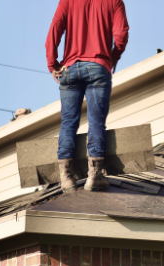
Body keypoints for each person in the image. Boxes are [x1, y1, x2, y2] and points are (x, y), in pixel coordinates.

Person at [46, 0, 129, 192]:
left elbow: (54, 31)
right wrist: (114, 55)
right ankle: (95, 175)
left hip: (70, 67)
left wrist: (52, 64)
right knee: (96, 122)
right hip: (99, 66)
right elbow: (121, 34)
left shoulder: (67, 1)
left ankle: (66, 178)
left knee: (68, 122)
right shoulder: (114, 1)